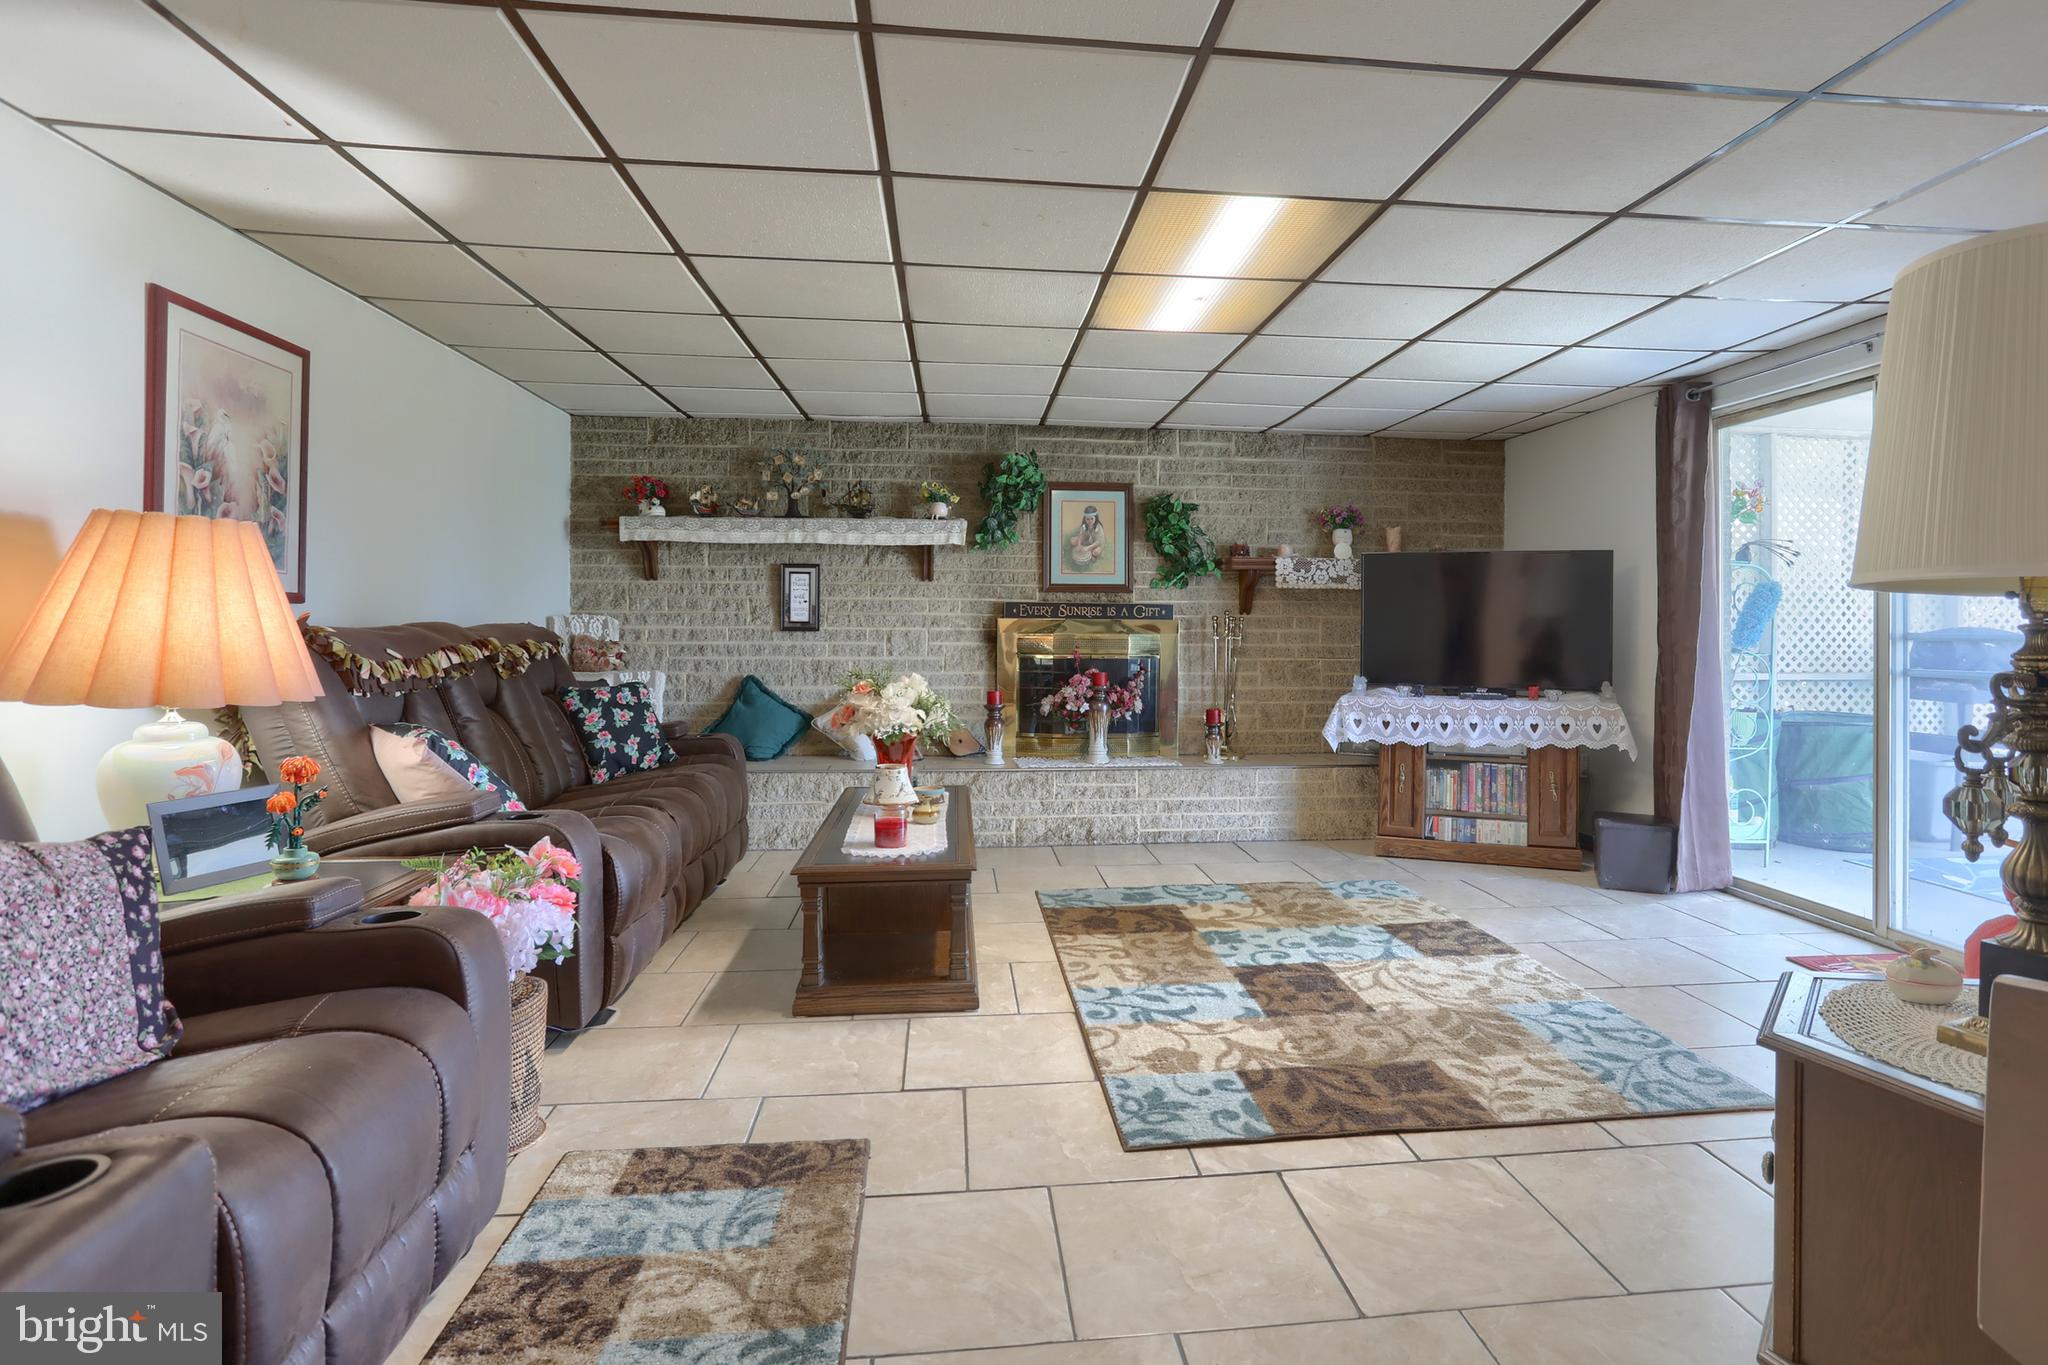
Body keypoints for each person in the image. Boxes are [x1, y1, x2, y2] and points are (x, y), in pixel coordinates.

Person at [1066, 504, 1106, 573]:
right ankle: (1086, 550)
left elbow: (1098, 542)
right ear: (1085, 519)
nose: (1089, 521)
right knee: (1072, 540)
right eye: (1087, 519)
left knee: (1096, 552)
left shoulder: (1099, 528)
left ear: (1095, 518)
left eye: (1092, 519)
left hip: (1096, 544)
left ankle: (1092, 555)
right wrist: (1078, 545)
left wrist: (1088, 548)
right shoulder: (1084, 526)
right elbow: (1081, 535)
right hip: (1087, 541)